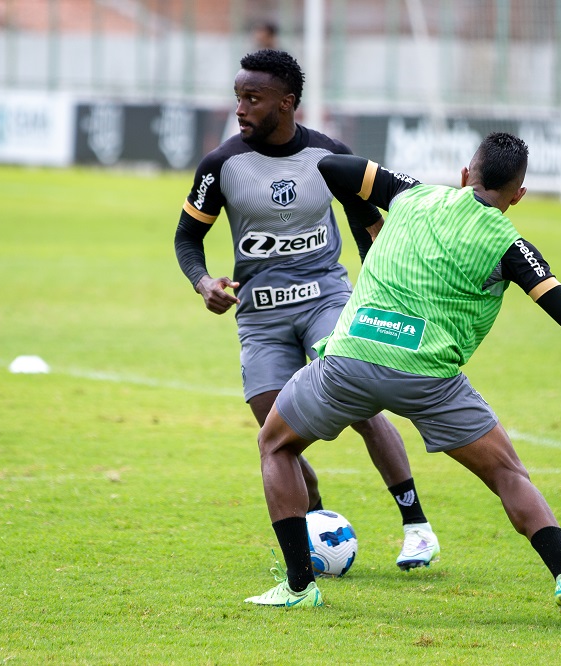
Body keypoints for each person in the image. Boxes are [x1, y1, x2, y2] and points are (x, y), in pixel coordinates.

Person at [244, 132, 561, 619]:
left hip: (351, 358)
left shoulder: (413, 194)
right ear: (518, 195)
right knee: (508, 473)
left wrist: (371, 228)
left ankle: (300, 586)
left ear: (465, 175)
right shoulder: (510, 245)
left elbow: (335, 170)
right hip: (428, 378)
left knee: (275, 445)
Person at [174, 49, 441, 572]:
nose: (241, 109)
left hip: (327, 301)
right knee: (278, 435)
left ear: (287, 102)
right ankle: (314, 530)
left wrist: (377, 291)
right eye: (237, 98)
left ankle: (417, 528)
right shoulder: (221, 165)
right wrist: (204, 282)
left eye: (253, 99)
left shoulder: (328, 156)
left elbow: (370, 226)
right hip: (261, 319)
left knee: (363, 405)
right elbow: (187, 238)